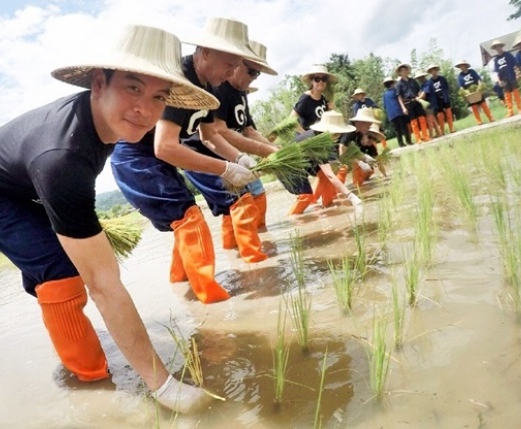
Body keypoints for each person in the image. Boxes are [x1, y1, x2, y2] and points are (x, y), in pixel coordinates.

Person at [0, 25, 217, 413]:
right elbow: (104, 285)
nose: (144, 109)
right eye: (133, 87)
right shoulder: (62, 158)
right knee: (62, 273)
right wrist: (163, 386)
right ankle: (92, 384)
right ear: (99, 83)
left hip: (33, 178)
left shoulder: (106, 126)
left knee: (73, 258)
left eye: (158, 96)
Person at [111, 17, 261, 304]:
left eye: (237, 65)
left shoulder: (210, 88)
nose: (233, 71)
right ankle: (212, 300)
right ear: (205, 52)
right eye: (230, 63)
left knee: (183, 218)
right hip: (135, 157)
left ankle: (182, 289)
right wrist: (225, 168)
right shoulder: (179, 78)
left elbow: (209, 136)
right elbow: (164, 146)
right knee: (189, 217)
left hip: (158, 157)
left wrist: (240, 158)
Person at [210, 40, 278, 231]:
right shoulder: (220, 88)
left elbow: (249, 130)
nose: (255, 77)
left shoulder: (241, 93)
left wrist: (276, 152)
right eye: (252, 71)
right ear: (236, 63)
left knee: (259, 197)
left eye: (258, 73)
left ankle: (262, 243)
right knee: (240, 205)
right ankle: (248, 255)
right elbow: (219, 131)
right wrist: (267, 150)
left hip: (243, 159)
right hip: (224, 159)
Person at [283, 111, 363, 218]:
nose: (338, 136)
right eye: (336, 133)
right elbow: (330, 174)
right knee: (306, 196)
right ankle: (292, 218)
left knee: (324, 176)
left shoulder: (323, 138)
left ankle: (328, 206)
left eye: (339, 133)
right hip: (290, 167)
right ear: (328, 130)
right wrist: (350, 195)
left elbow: (329, 169)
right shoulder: (315, 142)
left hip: (305, 163)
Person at [289, 64, 345, 210]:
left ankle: (327, 207)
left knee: (326, 176)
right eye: (317, 79)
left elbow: (330, 121)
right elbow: (291, 121)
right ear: (312, 81)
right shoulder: (305, 99)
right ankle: (298, 212)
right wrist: (307, 137)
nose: (321, 82)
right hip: (307, 144)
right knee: (325, 176)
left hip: (320, 144)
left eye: (324, 79)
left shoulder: (324, 100)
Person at [339, 108, 384, 187]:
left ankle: (357, 187)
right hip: (334, 155)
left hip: (346, 156)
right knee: (339, 174)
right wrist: (358, 162)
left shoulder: (358, 133)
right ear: (361, 122)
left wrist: (364, 158)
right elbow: (341, 149)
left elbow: (355, 152)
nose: (369, 127)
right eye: (368, 125)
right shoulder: (350, 131)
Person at [395, 63, 430, 143]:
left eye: (405, 70)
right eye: (401, 70)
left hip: (417, 101)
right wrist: (403, 108)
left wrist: (419, 97)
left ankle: (425, 136)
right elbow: (399, 97)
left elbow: (419, 90)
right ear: (400, 72)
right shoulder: (399, 84)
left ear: (407, 71)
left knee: (422, 119)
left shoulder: (413, 81)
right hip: (408, 103)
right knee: (413, 121)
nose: (403, 71)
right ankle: (418, 138)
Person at [455, 60, 494, 125]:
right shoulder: (460, 76)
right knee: (474, 107)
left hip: (477, 91)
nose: (462, 67)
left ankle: (490, 118)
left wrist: (479, 87)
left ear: (465, 65)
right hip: (470, 94)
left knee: (483, 105)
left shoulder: (472, 71)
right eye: (460, 66)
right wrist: (465, 93)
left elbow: (478, 79)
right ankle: (479, 121)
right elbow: (461, 87)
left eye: (463, 65)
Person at [491, 39, 521, 117]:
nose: (498, 48)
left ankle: (520, 109)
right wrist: (499, 80)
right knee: (507, 96)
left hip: (511, 76)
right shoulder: (495, 60)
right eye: (496, 47)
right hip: (503, 79)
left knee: (516, 93)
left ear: (501, 46)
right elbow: (497, 72)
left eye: (499, 46)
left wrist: (518, 74)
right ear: (495, 49)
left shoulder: (508, 55)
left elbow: (515, 65)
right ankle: (510, 111)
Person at [424, 64, 456, 134]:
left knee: (449, 113)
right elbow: (428, 92)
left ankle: (451, 128)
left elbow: (447, 87)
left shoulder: (442, 78)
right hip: (436, 101)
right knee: (440, 116)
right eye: (432, 71)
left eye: (434, 70)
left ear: (437, 70)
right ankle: (442, 130)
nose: (433, 72)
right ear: (430, 72)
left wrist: (446, 95)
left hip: (444, 98)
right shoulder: (429, 82)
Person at [382, 76, 412, 147]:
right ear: (392, 84)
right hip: (399, 111)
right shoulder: (396, 91)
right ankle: (408, 141)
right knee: (404, 127)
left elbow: (385, 106)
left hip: (391, 114)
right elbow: (401, 99)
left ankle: (400, 143)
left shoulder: (385, 94)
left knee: (397, 129)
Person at [415, 70, 441, 138]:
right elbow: (420, 93)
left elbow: (423, 95)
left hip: (431, 104)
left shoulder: (427, 83)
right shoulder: (422, 85)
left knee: (429, 120)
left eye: (420, 77)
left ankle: (431, 135)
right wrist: (419, 96)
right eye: (418, 78)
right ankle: (439, 132)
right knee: (432, 119)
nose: (419, 79)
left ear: (423, 76)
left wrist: (418, 98)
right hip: (427, 104)